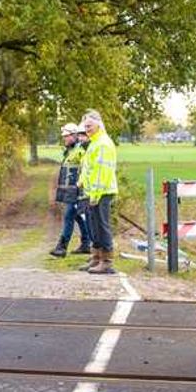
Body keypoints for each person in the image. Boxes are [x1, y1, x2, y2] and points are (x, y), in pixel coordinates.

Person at [77, 110, 118, 274]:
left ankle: (106, 261)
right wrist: (81, 181)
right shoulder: (94, 142)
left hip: (101, 192)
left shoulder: (103, 143)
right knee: (93, 226)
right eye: (85, 126)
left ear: (98, 124)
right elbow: (89, 168)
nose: (87, 129)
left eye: (90, 125)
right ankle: (96, 258)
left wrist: (95, 194)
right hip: (92, 192)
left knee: (102, 226)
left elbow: (102, 172)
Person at [50, 123, 92, 257]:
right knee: (78, 216)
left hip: (77, 190)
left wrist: (81, 189)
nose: (65, 139)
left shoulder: (81, 151)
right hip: (70, 191)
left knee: (69, 216)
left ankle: (61, 247)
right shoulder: (69, 151)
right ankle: (86, 244)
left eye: (67, 136)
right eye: (64, 136)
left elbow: (85, 170)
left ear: (74, 136)